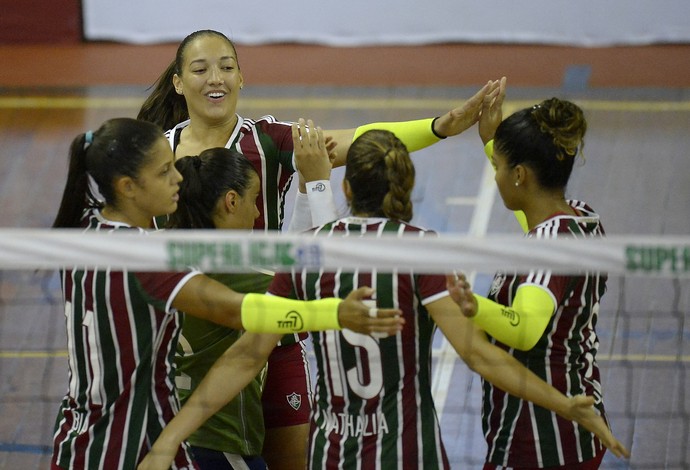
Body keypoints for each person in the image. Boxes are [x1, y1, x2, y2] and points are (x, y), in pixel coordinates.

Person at [138, 127, 629, 470]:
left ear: (346, 186)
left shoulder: (305, 256)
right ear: (406, 187)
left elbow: (246, 355)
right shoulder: (420, 252)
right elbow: (479, 355)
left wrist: (167, 442)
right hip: (409, 453)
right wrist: (564, 404)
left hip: (334, 454)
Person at [136, 28, 500, 468]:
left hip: (273, 331)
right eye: (201, 69)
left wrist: (440, 127)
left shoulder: (269, 141)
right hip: (192, 341)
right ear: (178, 82)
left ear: (242, 78)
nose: (216, 78)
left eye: (227, 67)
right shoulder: (155, 153)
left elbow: (361, 139)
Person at [49, 117, 404, 470]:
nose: (177, 178)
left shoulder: (87, 227)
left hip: (78, 438)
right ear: (127, 187)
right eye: (163, 172)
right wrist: (334, 314)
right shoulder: (146, 258)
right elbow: (238, 311)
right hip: (129, 445)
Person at [447, 95, 619, 468]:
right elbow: (541, 227)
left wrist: (473, 306)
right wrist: (493, 143)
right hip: (576, 429)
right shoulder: (583, 220)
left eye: (499, 166)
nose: (495, 176)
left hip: (539, 440)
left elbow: (525, 330)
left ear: (520, 174)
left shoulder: (547, 245)